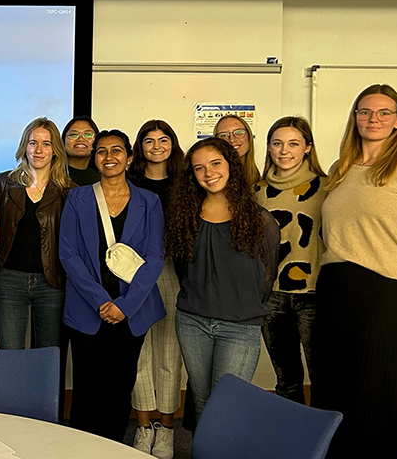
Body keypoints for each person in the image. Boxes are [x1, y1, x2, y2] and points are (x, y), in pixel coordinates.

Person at [313, 84, 397, 458]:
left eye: (384, 113)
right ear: (355, 118)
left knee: (377, 400)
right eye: (365, 111)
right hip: (335, 291)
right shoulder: (340, 169)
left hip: (387, 297)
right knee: (332, 394)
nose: (374, 119)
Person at [59, 129, 165, 442]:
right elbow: (68, 253)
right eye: (102, 151)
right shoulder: (77, 198)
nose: (109, 157)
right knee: (87, 387)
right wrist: (101, 302)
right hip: (86, 309)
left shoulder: (149, 201)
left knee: (120, 386)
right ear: (95, 158)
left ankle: (112, 447)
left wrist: (125, 306)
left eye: (117, 150)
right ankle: (81, 448)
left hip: (133, 309)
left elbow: (155, 257)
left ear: (129, 158)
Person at [164, 138, 279, 423]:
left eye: (215, 164)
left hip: (241, 327)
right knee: (202, 403)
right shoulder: (184, 217)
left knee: (227, 406)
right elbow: (183, 271)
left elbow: (267, 276)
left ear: (231, 166)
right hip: (192, 322)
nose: (208, 173)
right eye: (199, 168)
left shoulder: (260, 220)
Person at [256, 115, 326, 408]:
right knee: (286, 381)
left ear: (308, 148)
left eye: (294, 144)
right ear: (269, 148)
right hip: (271, 296)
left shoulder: (328, 187)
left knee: (324, 377)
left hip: (315, 294)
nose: (285, 151)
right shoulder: (256, 191)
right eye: (278, 143)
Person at [125, 119, 185, 457]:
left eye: (164, 140)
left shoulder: (185, 184)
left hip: (171, 273)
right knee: (139, 353)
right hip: (133, 273)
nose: (157, 146)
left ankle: (166, 428)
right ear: (140, 147)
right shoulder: (128, 182)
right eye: (149, 141)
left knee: (168, 353)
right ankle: (144, 426)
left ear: (172, 145)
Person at [0, 117, 72, 351]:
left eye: (46, 144)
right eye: (33, 142)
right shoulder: (3, 183)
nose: (38, 150)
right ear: (24, 147)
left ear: (55, 149)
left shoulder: (69, 190)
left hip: (52, 283)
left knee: (47, 358)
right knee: (10, 355)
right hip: (9, 280)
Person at [213, 114, 261, 186]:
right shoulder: (212, 180)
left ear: (249, 137)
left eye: (239, 132)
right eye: (224, 135)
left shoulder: (261, 183)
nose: (232, 140)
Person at [62, 116, 100, 186]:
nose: (80, 139)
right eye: (73, 135)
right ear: (63, 141)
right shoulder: (53, 175)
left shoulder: (100, 180)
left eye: (88, 135)